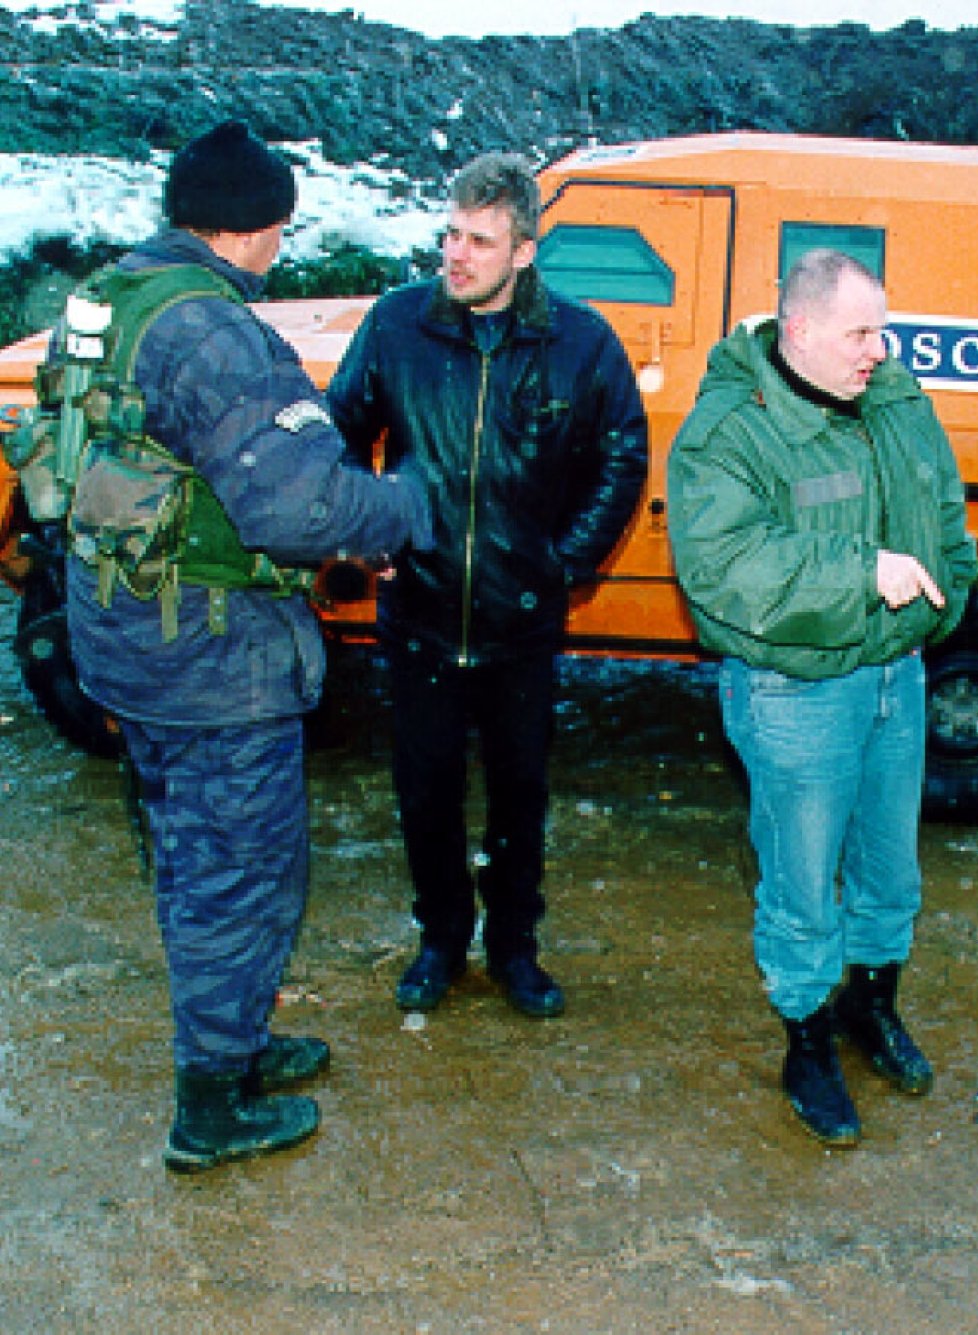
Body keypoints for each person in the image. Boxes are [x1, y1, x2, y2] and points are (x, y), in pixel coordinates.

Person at [61, 120, 435, 1172]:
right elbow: (297, 506)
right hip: (210, 658)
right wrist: (403, 510)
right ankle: (211, 1108)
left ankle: (238, 1044)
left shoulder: (111, 296)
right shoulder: (216, 333)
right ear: (252, 226)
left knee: (191, 855)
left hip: (128, 635)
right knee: (235, 871)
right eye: (280, 223)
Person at [667, 249, 978, 1147]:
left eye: (881, 328)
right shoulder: (731, 429)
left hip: (895, 675)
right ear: (796, 330)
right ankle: (805, 1037)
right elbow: (722, 566)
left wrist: (945, 591)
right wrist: (859, 575)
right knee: (801, 881)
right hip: (795, 689)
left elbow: (942, 503)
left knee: (890, 868)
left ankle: (868, 1007)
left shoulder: (891, 393)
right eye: (858, 332)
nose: (876, 349)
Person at [327, 152, 647, 1020]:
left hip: (521, 625)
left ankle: (513, 948)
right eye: (449, 234)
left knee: (519, 795)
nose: (455, 255)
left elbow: (623, 456)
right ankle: (439, 939)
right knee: (424, 791)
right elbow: (341, 430)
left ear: (525, 253)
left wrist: (565, 563)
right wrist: (372, 529)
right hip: (421, 615)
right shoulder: (397, 326)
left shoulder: (579, 343)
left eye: (479, 240)